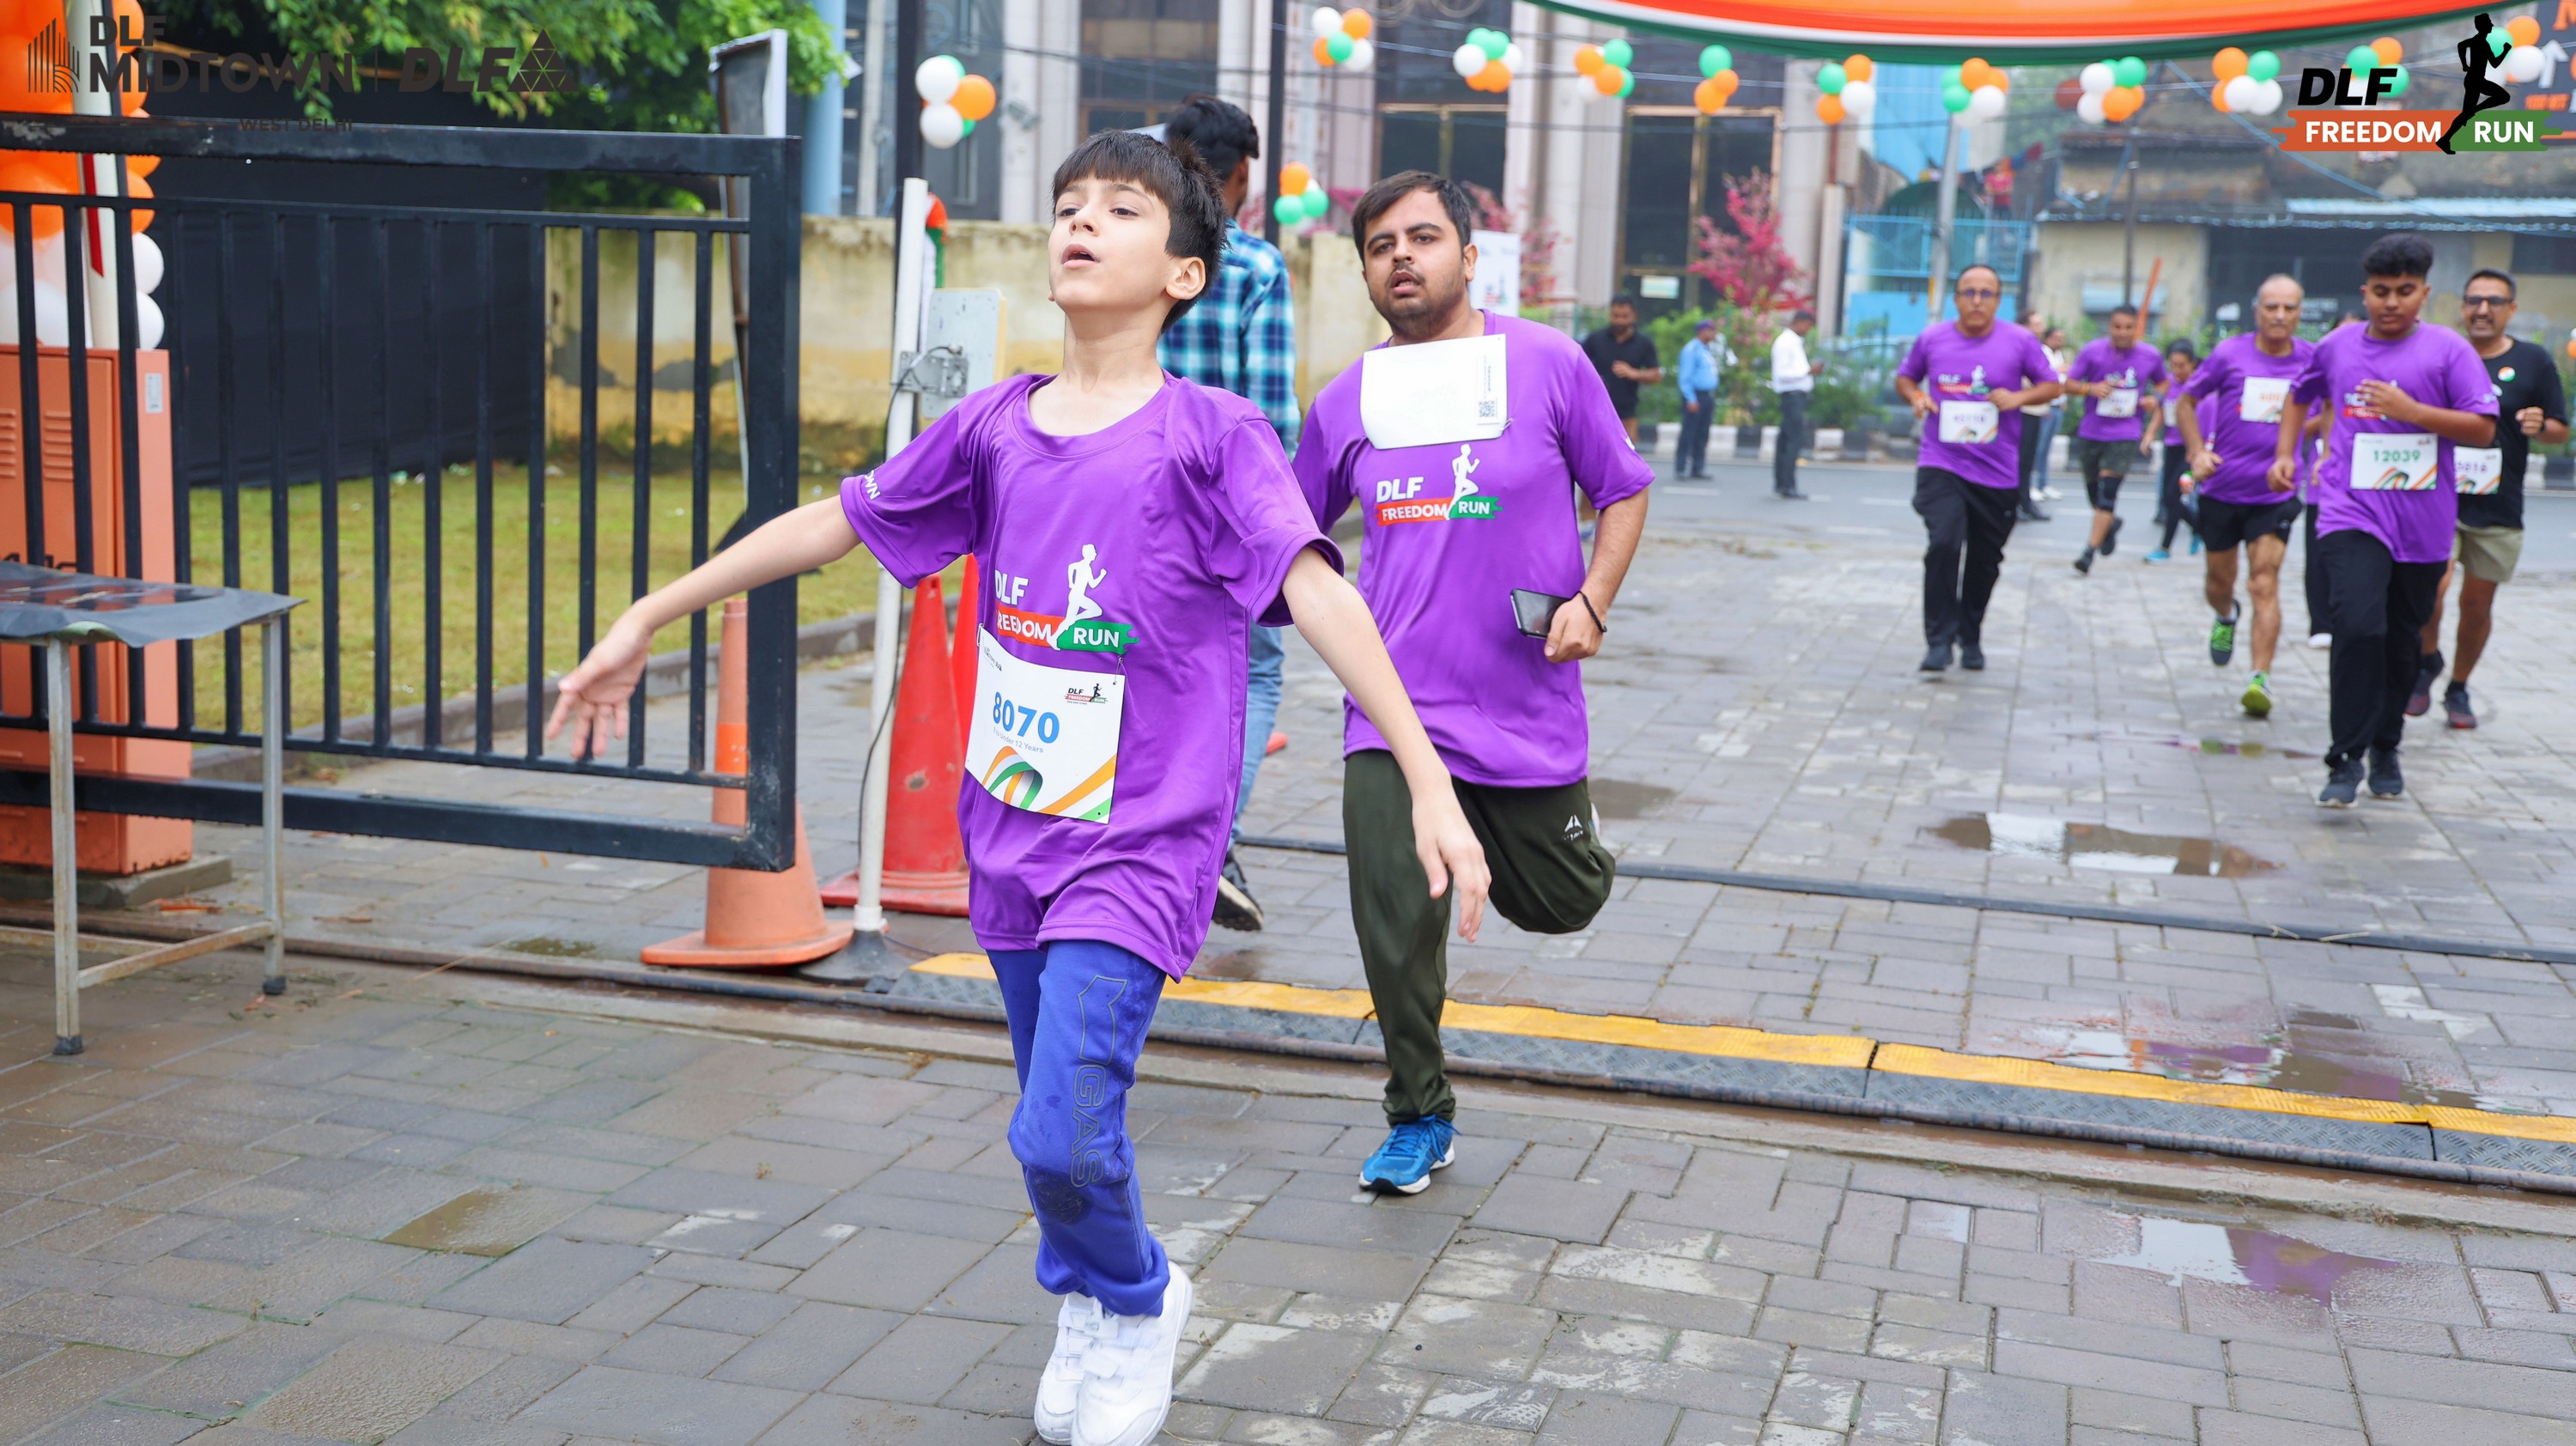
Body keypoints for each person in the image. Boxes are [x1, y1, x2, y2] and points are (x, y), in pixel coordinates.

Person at [546, 132, 1491, 1446]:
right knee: (1057, 1117)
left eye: (1121, 208)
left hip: (1143, 842)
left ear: (1186, 273)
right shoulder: (996, 426)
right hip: (1011, 832)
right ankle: (1091, 1294)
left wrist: (1429, 780)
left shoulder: (1212, 437)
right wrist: (653, 611)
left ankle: (1139, 1297)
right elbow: (836, 521)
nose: (1080, 224)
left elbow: (1320, 594)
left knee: (1059, 1133)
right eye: (1067, 206)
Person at [1295, 171, 1646, 1195]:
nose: (1401, 257)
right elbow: (1290, 535)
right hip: (1393, 711)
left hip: (1524, 699)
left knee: (1567, 899)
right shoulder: (1344, 402)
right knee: (1396, 921)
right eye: (1380, 246)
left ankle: (1518, 833)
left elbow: (1622, 489)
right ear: (1366, 273)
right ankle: (1419, 1111)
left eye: (1423, 237)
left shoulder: (1547, 364)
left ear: (1468, 255)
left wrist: (1593, 600)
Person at [2270, 233, 2498, 806]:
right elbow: (2299, 395)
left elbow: (2483, 428)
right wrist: (2284, 454)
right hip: (2349, 511)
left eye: (2404, 291)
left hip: (2422, 527)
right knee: (2356, 625)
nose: (2391, 302)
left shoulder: (2449, 350)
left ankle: (2385, 744)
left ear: (2424, 292)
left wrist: (2413, 412)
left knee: (2401, 641)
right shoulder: (2338, 346)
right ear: (2364, 292)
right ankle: (2344, 757)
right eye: (2380, 291)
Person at [1155, 94, 1297, 933]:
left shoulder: (1141, 255)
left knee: (1153, 670)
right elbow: (1272, 415)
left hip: (1137, 501)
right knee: (1255, 672)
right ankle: (1208, 842)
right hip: (1227, 508)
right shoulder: (1254, 267)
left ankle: (1142, 832)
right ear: (1241, 173)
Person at [2410, 266, 2569, 727]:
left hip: (2499, 502)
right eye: (2474, 301)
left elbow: (2559, 430)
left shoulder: (2534, 360)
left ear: (2511, 309)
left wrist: (2541, 426)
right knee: (2430, 588)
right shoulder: (2441, 353)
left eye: (2494, 302)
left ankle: (2458, 687)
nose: (2483, 310)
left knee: (2477, 605)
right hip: (2438, 495)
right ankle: (2427, 660)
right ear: (2462, 307)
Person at [1894, 263, 2063, 671]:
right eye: (1969, 292)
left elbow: (2052, 385)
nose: (1976, 301)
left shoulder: (2019, 341)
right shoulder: (1933, 338)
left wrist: (2018, 398)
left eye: (1986, 293)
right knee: (1944, 544)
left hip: (1997, 471)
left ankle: (1970, 635)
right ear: (1956, 299)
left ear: (1998, 301)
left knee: (1984, 561)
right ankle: (1938, 641)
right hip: (1942, 462)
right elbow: (1906, 378)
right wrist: (1916, 397)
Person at [2177, 274, 2315, 718]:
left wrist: (2309, 444)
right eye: (2271, 307)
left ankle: (2260, 679)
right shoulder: (2229, 354)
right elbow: (2185, 401)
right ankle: (2225, 617)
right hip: (2223, 488)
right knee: (2219, 584)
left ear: (2300, 313)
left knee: (2264, 581)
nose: (2280, 316)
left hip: (2275, 494)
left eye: (2289, 308)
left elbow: (2333, 408)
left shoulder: (2312, 360)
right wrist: (2197, 453)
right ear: (2257, 310)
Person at [2068, 304, 2168, 574]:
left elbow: (2163, 383)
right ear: (2109, 327)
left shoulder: (2150, 355)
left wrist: (2155, 399)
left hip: (2125, 433)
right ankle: (2109, 526)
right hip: (2091, 431)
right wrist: (2090, 388)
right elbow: (2069, 383)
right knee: (2094, 495)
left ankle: (2088, 553)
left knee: (2108, 494)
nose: (2123, 332)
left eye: (2128, 327)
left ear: (2137, 328)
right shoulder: (2092, 352)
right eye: (2117, 327)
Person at [1581, 295, 1662, 445]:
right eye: (1615, 316)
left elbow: (1656, 375)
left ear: (1634, 316)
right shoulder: (1596, 339)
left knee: (1628, 455)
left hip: (1627, 415)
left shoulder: (1643, 343)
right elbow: (1577, 366)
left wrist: (1634, 373)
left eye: (1624, 316)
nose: (1619, 321)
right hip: (1596, 412)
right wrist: (1592, 376)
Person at [2147, 340, 2200, 561]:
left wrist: (2199, 448)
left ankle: (2165, 547)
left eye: (2182, 366)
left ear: (2192, 364)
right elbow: (2161, 411)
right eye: (2173, 365)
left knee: (2173, 494)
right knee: (2168, 498)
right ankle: (2198, 526)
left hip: (2191, 450)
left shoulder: (2200, 386)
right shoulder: (2169, 383)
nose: (2177, 370)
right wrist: (2150, 434)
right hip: (2172, 447)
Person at [2014, 321, 2065, 522]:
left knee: (2030, 458)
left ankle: (2026, 500)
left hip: (2040, 410)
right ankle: (2017, 503)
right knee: (2021, 460)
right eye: (2036, 324)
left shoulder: (2038, 349)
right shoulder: (2020, 348)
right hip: (2023, 410)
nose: (2040, 327)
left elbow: (2050, 380)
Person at [1771, 308, 1819, 498]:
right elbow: (1782, 373)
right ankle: (1787, 484)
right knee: (1792, 440)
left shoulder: (1794, 342)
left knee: (1786, 439)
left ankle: (1782, 483)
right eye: (1808, 326)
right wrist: (1807, 372)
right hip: (1791, 395)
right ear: (1799, 322)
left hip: (1795, 395)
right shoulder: (1786, 343)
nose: (1808, 330)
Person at [1675, 318, 1721, 478]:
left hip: (1707, 396)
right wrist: (1690, 398)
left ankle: (1698, 467)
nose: (1714, 334)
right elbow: (1685, 377)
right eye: (1711, 330)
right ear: (1702, 331)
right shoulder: (1692, 350)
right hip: (1696, 396)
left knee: (1702, 434)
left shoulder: (1705, 350)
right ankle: (1681, 467)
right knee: (1689, 433)